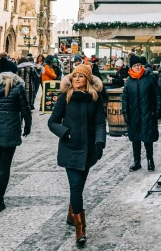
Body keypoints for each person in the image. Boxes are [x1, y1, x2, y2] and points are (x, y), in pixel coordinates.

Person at [48, 64, 105, 246]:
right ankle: (81, 230)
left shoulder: (95, 98)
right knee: (76, 185)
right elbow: (52, 122)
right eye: (75, 76)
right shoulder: (65, 97)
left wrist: (99, 142)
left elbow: (99, 124)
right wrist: (65, 132)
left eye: (81, 76)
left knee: (79, 186)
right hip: (70, 148)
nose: (77, 79)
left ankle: (72, 214)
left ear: (87, 79)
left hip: (88, 149)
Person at [0, 71, 31, 213]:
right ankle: (0, 198)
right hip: (11, 125)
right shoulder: (18, 88)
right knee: (6, 163)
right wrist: (28, 126)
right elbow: (25, 109)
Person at [122, 55, 161, 172]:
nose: (137, 67)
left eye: (139, 65)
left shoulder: (149, 77)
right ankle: (137, 161)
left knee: (147, 137)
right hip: (134, 113)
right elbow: (125, 98)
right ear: (131, 67)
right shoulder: (129, 81)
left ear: (142, 65)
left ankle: (150, 160)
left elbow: (157, 94)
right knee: (135, 138)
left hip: (148, 112)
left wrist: (158, 109)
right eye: (135, 65)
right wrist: (125, 112)